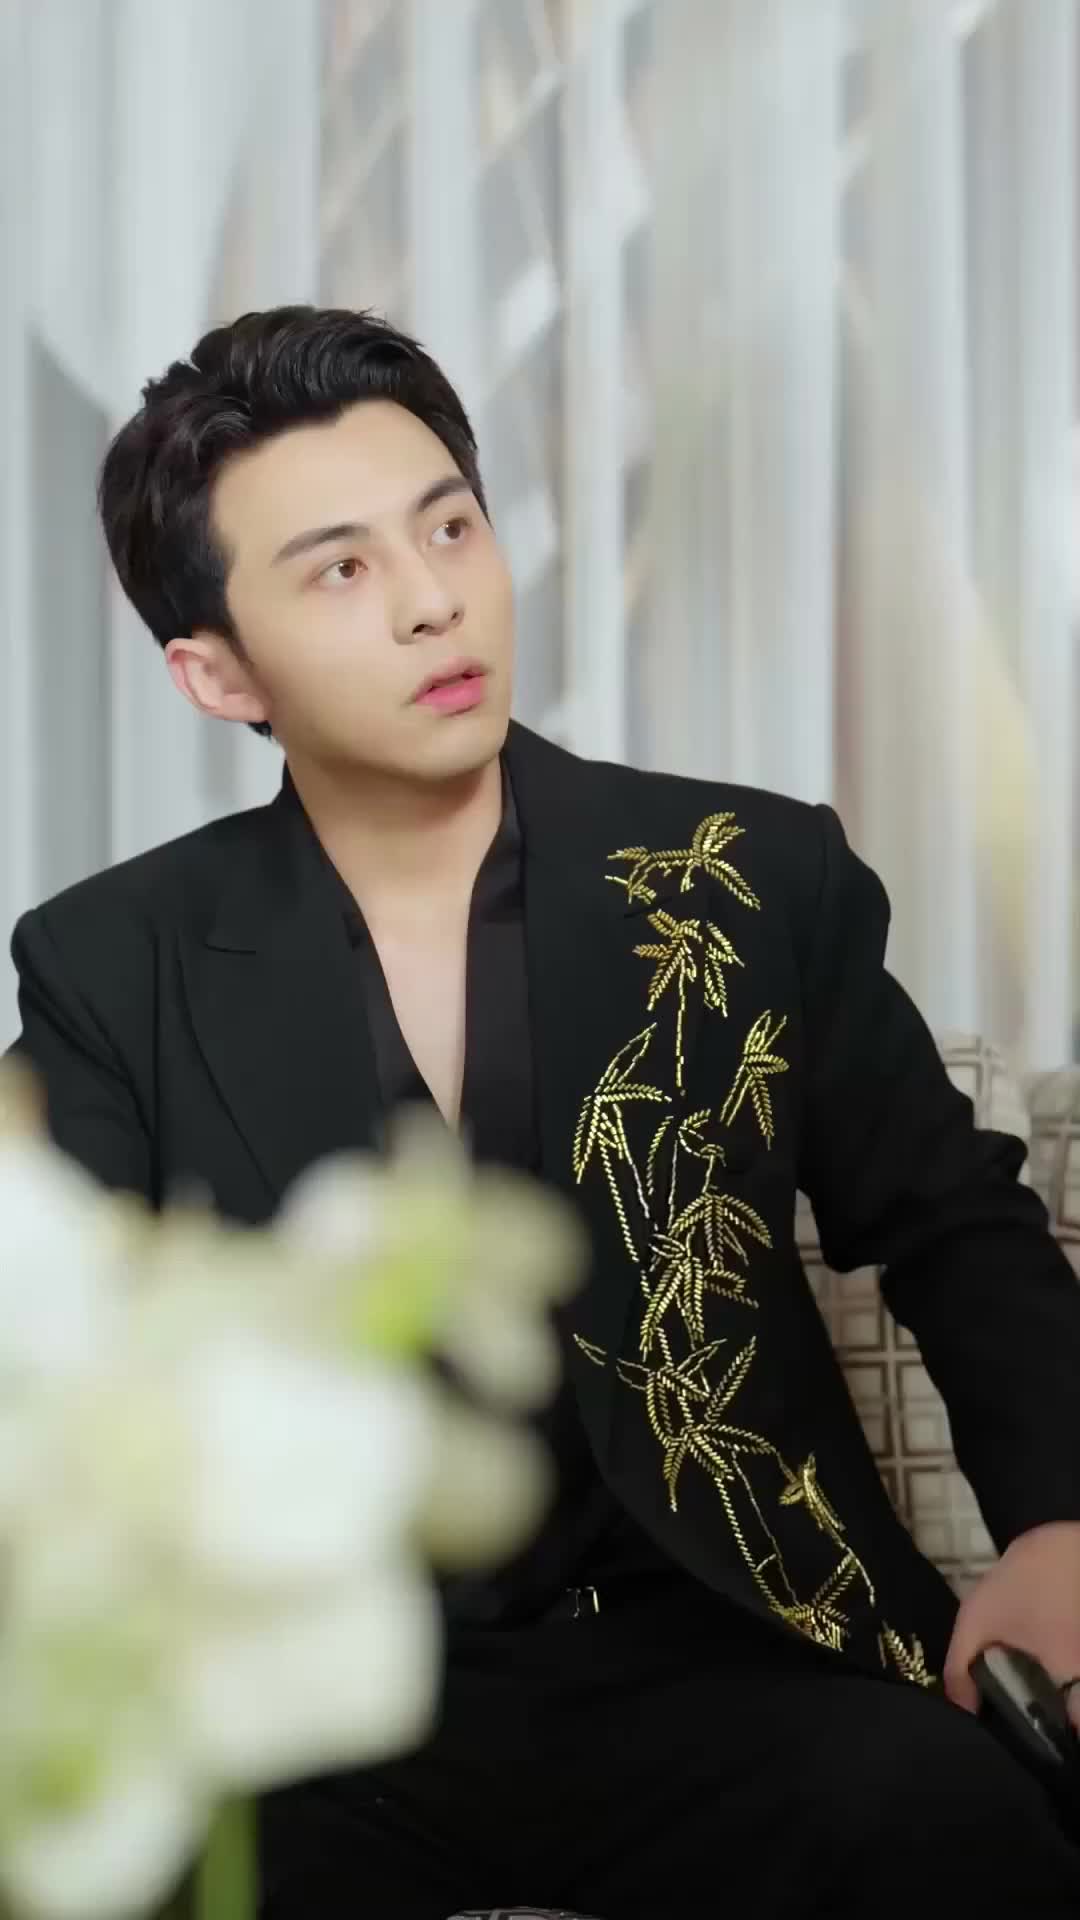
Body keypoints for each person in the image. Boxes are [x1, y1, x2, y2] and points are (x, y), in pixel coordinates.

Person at [8, 305, 1080, 1919]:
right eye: (341, 570)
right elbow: (62, 1354)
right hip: (323, 1698)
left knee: (962, 1828)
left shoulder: (748, 876)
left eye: (450, 526)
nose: (433, 598)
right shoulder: (110, 958)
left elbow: (955, 1223)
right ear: (216, 671)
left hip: (730, 1652)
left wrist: (1061, 1525)